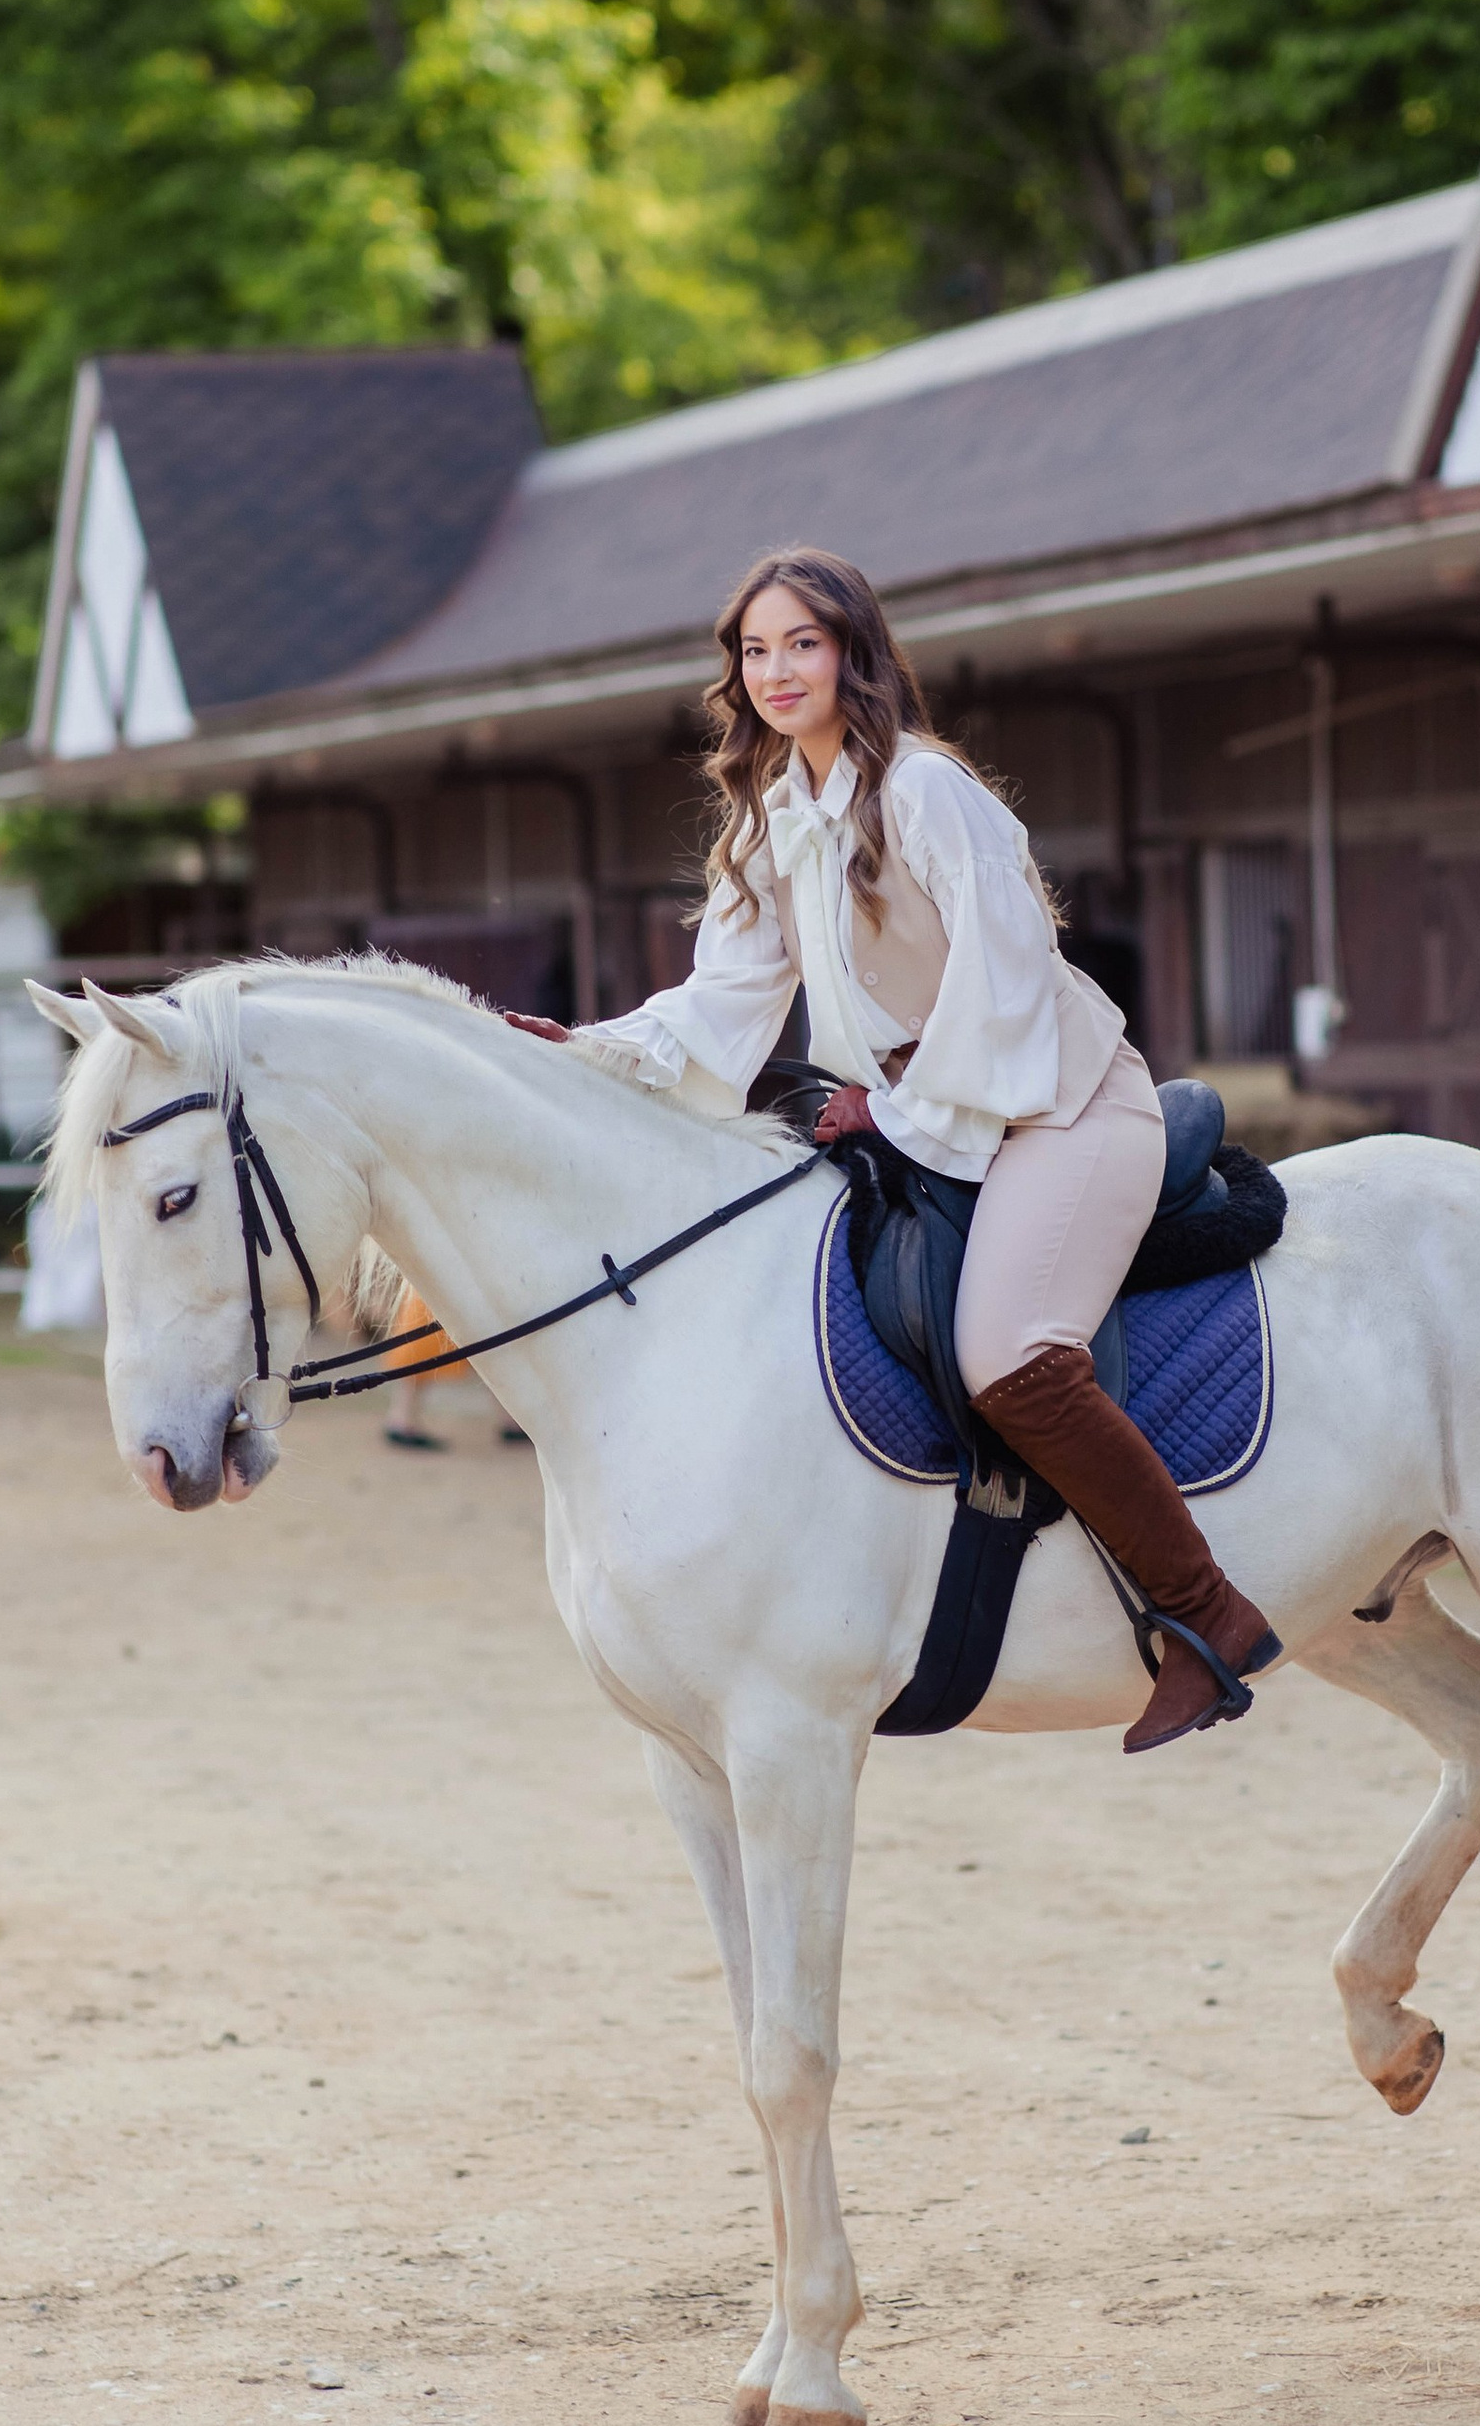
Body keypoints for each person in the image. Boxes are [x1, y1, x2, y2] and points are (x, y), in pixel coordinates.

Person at [516, 545, 1278, 1750]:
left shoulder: (925, 791)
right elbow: (722, 1002)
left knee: (1010, 1356)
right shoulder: (774, 813)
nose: (775, 671)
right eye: (755, 651)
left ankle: (1207, 1616)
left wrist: (894, 1111)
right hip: (923, 1118)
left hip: (1057, 1108)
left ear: (853, 652)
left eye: (801, 644)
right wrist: (579, 1051)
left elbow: (1006, 983)